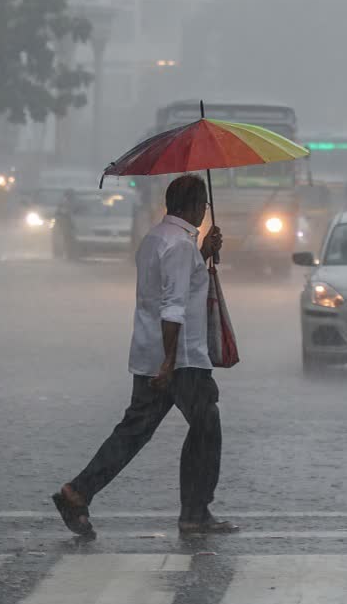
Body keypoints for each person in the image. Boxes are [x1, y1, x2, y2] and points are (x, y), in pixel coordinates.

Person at [52, 174, 237, 537]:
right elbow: (173, 306)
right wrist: (169, 363)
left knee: (134, 431)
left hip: (151, 352)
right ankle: (195, 513)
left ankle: (78, 492)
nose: (204, 212)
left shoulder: (157, 239)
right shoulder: (181, 246)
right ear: (196, 206)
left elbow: (170, 286)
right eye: (204, 206)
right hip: (181, 359)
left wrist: (203, 254)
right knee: (206, 427)